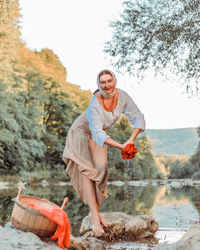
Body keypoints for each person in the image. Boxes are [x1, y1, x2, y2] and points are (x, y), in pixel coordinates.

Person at [63, 69, 145, 234]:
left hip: (96, 136)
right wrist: (121, 146)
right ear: (98, 84)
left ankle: (95, 212)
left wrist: (130, 141)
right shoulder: (95, 102)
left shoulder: (123, 97)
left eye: (109, 81)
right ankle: (95, 218)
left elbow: (138, 117)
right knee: (89, 171)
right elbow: (98, 133)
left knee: (101, 172)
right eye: (103, 82)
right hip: (81, 133)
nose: (107, 85)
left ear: (114, 81)